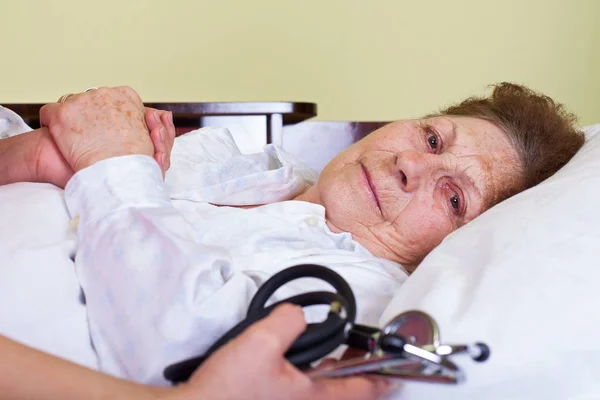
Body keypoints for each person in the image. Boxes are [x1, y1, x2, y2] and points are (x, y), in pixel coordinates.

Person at [0, 83, 585, 394]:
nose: (411, 165)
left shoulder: (352, 298)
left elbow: (178, 359)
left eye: (454, 198)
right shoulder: (226, 157)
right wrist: (43, 153)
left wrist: (107, 164)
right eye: (433, 139)